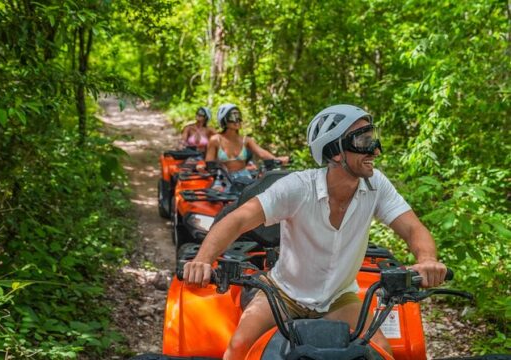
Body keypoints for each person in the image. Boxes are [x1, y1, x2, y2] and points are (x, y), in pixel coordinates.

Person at [183, 104, 447, 359]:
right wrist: (203, 260)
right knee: (239, 348)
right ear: (335, 153)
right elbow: (239, 219)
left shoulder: (376, 185)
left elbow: (413, 228)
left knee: (380, 351)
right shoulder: (298, 187)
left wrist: (427, 260)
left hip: (339, 298)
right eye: (364, 141)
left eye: (373, 139)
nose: (375, 151)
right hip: (283, 294)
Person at [201, 103, 288, 180]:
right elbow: (209, 163)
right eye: (232, 117)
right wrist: (203, 167)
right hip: (223, 178)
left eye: (239, 117)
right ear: (224, 120)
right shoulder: (215, 140)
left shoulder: (246, 140)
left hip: (244, 177)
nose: (237, 121)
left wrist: (278, 159)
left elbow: (261, 153)